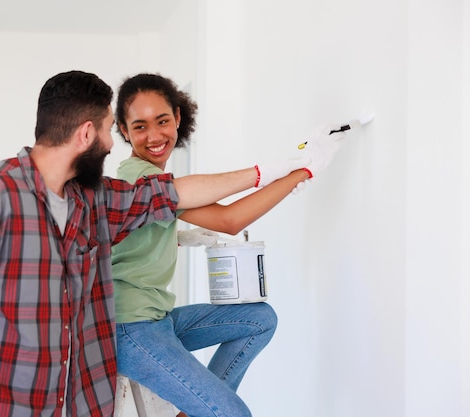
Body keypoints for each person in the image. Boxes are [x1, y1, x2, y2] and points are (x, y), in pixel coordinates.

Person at [0, 70, 332, 417]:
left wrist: (278, 169)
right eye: (116, 129)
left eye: (162, 120)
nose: (114, 144)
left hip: (91, 374)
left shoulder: (93, 197)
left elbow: (174, 192)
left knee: (259, 320)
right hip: (25, 386)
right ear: (86, 134)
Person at [111, 73, 346, 417]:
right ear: (124, 129)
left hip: (156, 318)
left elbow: (229, 219)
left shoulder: (159, 180)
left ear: (177, 116)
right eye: (140, 126)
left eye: (162, 121)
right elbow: (227, 212)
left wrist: (301, 172)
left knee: (259, 319)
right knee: (232, 413)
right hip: (129, 326)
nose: (154, 135)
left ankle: (193, 412)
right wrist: (298, 168)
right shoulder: (138, 176)